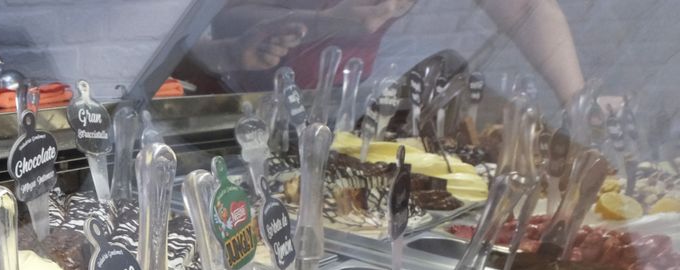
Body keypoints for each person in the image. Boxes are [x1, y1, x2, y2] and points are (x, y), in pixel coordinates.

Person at [182, 0, 586, 106]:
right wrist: (327, 22)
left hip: (348, 107)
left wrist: (578, 103)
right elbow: (222, 18)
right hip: (237, 108)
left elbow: (527, 8)